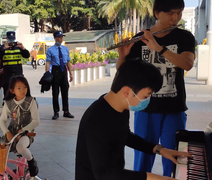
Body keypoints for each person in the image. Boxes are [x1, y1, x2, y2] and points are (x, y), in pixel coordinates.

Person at [75, 60, 192, 180]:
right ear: (127, 92)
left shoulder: (120, 106)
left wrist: (160, 150)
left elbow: (125, 135)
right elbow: (105, 175)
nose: (147, 100)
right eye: (146, 96)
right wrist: (155, 178)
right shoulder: (96, 119)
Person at [116, 0, 195, 176]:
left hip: (174, 110)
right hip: (145, 110)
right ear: (157, 13)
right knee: (143, 159)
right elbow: (124, 74)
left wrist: (158, 48)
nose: (175, 18)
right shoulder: (139, 39)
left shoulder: (184, 37)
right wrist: (122, 56)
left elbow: (187, 64)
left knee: (174, 160)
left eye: (179, 13)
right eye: (170, 14)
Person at [0, 75, 40, 177]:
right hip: (12, 132)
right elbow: (1, 120)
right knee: (0, 150)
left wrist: (23, 130)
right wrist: (7, 133)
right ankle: (4, 171)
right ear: (12, 90)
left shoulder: (31, 101)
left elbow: (36, 121)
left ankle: (31, 161)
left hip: (26, 133)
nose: (23, 90)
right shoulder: (8, 103)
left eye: (25, 87)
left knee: (20, 147)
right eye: (19, 88)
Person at [45, 31, 74, 120]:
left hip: (63, 71)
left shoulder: (65, 49)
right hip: (55, 70)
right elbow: (48, 63)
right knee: (55, 92)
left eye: (61, 37)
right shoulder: (50, 50)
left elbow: (68, 62)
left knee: (65, 92)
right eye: (58, 37)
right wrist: (47, 75)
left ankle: (66, 111)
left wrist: (70, 73)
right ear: (55, 38)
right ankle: (56, 112)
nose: (60, 39)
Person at [0, 31, 30, 98]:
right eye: (10, 39)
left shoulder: (19, 47)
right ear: (6, 38)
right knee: (7, 92)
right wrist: (3, 49)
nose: (11, 41)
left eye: (13, 39)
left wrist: (23, 48)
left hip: (18, 73)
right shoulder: (3, 47)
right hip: (7, 74)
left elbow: (27, 55)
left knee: (19, 90)